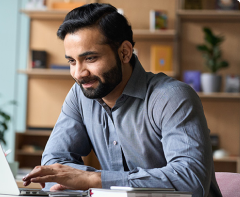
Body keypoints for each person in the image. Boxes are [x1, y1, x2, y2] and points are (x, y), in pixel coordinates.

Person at [22, 3, 222, 197]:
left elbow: (191, 181)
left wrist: (94, 180)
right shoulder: (80, 94)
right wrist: (82, 179)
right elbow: (53, 164)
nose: (79, 73)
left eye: (90, 58)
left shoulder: (172, 97)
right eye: (72, 61)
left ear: (125, 52)